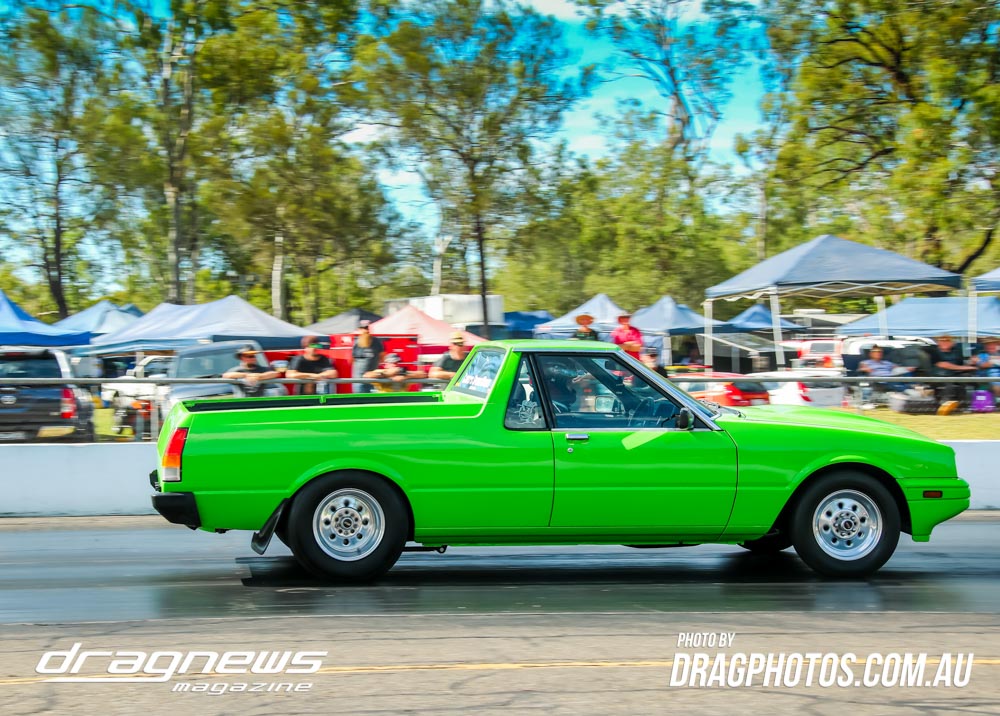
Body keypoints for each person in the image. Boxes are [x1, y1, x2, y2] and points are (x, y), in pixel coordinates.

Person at [928, 334, 977, 414]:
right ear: (938, 342)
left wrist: (971, 362)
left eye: (947, 340)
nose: (945, 342)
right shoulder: (934, 351)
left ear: (952, 342)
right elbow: (943, 364)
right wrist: (965, 368)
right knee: (949, 384)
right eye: (942, 340)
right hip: (939, 376)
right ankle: (943, 407)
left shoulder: (956, 351)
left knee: (966, 378)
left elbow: (962, 364)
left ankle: (963, 407)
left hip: (954, 375)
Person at [351, 320, 384, 394]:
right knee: (359, 399)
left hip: (373, 379)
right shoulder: (356, 342)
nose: (365, 330)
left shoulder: (376, 341)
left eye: (367, 328)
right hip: (359, 380)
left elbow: (382, 356)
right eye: (363, 328)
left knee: (374, 399)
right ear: (359, 330)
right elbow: (352, 359)